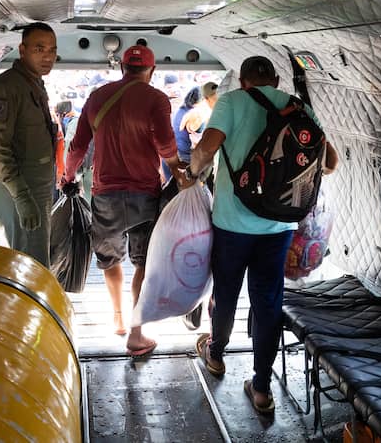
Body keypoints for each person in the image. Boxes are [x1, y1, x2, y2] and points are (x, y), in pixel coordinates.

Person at [185, 56, 338, 414]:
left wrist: (192, 174)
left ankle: (216, 353)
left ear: (242, 81)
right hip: (280, 227)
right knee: (268, 302)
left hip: (233, 223)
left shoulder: (231, 102)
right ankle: (261, 389)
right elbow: (329, 164)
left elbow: (207, 147)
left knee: (226, 290)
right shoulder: (298, 108)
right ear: (277, 79)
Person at [61, 45, 192, 357]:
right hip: (144, 192)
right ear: (152, 69)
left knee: (110, 259)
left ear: (122, 68)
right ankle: (136, 331)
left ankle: (117, 318)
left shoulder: (96, 97)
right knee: (144, 261)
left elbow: (78, 146)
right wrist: (179, 173)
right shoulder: (156, 99)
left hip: (104, 192)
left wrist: (67, 176)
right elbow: (165, 144)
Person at [0, 22, 58, 267]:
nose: (48, 56)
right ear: (22, 50)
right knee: (31, 267)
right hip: (22, 188)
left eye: (52, 50)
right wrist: (23, 197)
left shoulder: (32, 83)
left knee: (36, 262)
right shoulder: (6, 88)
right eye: (39, 48)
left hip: (37, 187)